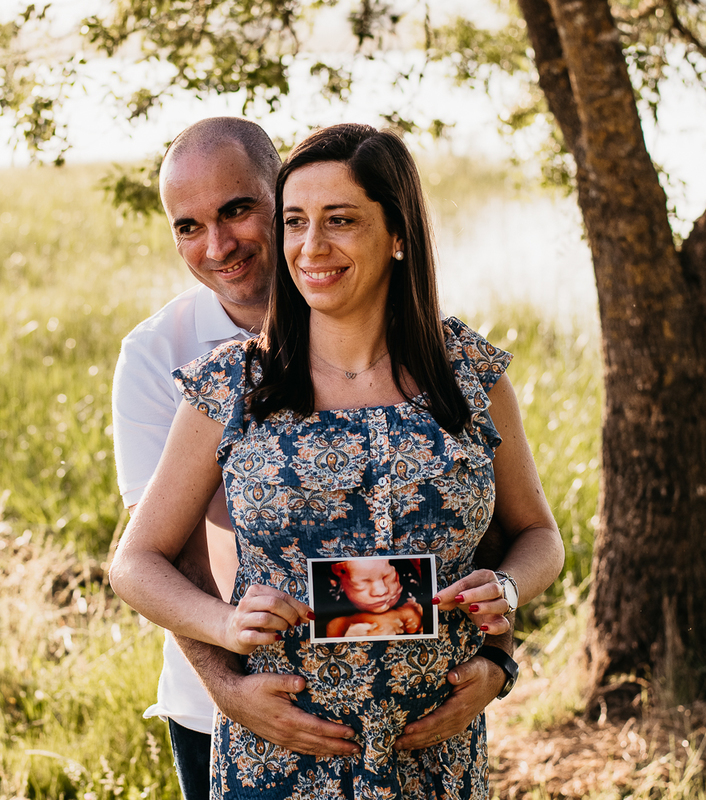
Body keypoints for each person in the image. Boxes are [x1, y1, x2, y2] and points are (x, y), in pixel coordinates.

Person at [110, 123, 565, 798]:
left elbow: (536, 537)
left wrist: (504, 603)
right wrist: (226, 628)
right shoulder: (227, 383)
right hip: (278, 753)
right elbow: (136, 560)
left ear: (399, 233)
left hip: (434, 755)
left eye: (341, 221)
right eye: (296, 222)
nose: (311, 246)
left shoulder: (470, 376)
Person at [324, 558, 425, 638]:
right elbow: (331, 630)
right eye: (365, 582)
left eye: (387, 577)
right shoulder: (332, 605)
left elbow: (415, 623)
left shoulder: (409, 596)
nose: (381, 591)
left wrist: (405, 615)